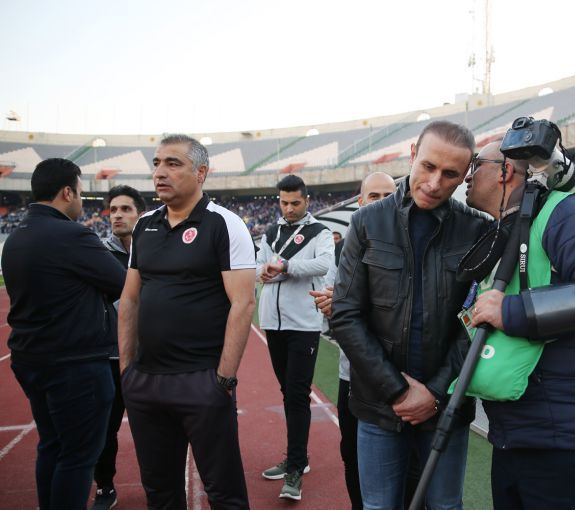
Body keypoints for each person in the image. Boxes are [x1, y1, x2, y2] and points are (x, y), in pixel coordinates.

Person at [467, 142, 575, 509]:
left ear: (504, 171)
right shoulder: (509, 226)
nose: (468, 176)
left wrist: (510, 311)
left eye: (475, 164)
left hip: (568, 441)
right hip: (519, 434)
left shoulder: (566, 211)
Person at [331, 120, 488, 509]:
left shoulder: (478, 229)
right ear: (413, 154)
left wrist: (433, 393)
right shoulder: (366, 222)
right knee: (379, 506)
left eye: (450, 174)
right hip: (379, 405)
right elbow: (345, 315)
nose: (435, 183)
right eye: (429, 166)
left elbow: (475, 322)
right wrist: (399, 391)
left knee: (445, 506)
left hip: (447, 406)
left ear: (464, 176)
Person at [118, 134, 256, 509]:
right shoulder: (144, 225)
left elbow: (243, 302)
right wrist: (127, 371)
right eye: (157, 163)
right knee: (160, 492)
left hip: (202, 380)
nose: (160, 172)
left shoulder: (225, 224)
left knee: (224, 494)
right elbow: (130, 298)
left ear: (201, 172)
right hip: (145, 382)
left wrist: (223, 379)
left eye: (173, 163)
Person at [2, 158, 126, 510]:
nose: (81, 201)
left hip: (31, 358)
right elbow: (122, 284)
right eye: (81, 193)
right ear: (67, 192)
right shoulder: (72, 235)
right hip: (75, 363)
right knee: (78, 456)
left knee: (52, 446)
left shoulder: (17, 237)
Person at [309, 171, 397, 510]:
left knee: (401, 461)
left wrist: (348, 303)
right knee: (352, 454)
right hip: (353, 374)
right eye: (374, 196)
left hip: (401, 374)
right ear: (360, 203)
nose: (381, 202)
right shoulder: (342, 249)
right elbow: (328, 299)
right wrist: (332, 303)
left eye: (388, 195)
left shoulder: (411, 243)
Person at [256, 174, 334, 501]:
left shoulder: (320, 232)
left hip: (303, 324)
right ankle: (296, 457)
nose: (289, 208)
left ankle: (296, 467)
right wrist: (269, 272)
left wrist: (285, 266)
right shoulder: (270, 233)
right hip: (272, 324)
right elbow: (259, 269)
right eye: (284, 203)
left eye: (295, 203)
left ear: (306, 200)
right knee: (288, 393)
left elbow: (324, 265)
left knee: (298, 395)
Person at [90, 185, 146, 510]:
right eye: (113, 210)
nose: (117, 216)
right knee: (104, 430)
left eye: (125, 209)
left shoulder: (152, 251)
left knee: (151, 429)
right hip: (108, 357)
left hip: (147, 357)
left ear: (140, 215)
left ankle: (158, 484)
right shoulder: (96, 254)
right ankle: (104, 487)